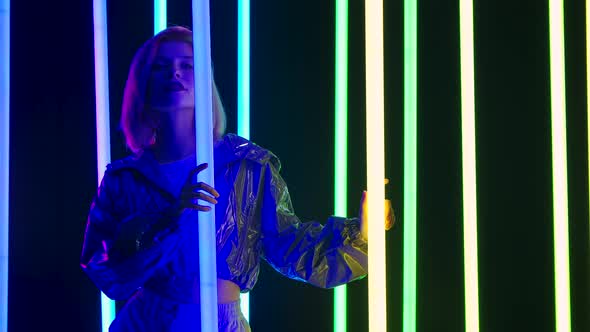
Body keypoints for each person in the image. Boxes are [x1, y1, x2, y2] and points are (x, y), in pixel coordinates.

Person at [80, 26, 394, 332]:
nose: (174, 73)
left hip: (221, 321)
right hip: (147, 321)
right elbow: (107, 271)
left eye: (186, 64)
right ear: (143, 84)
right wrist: (168, 222)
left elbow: (291, 248)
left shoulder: (245, 165)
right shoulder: (124, 179)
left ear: (205, 78)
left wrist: (364, 234)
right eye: (160, 67)